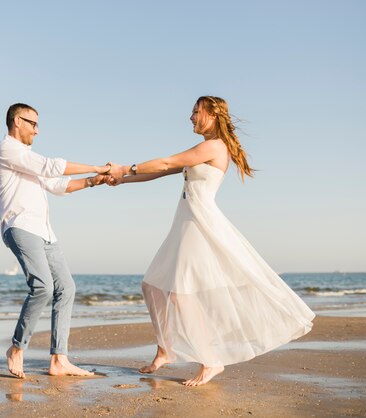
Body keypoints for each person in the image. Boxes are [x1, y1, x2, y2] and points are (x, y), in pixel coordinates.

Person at [106, 96, 315, 386]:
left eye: (195, 111)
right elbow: (163, 170)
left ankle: (211, 361)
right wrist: (123, 180)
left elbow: (167, 160)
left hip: (199, 224)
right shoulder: (204, 148)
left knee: (179, 293)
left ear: (212, 115)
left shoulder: (214, 146)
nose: (190, 117)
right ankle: (165, 349)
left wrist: (124, 167)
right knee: (152, 285)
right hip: (184, 223)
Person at [0, 102, 109, 378]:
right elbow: (50, 166)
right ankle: (16, 348)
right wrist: (96, 165)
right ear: (17, 121)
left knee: (66, 288)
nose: (37, 130)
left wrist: (95, 180)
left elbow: (57, 185)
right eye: (33, 123)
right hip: (20, 226)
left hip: (45, 232)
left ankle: (59, 359)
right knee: (42, 286)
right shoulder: (6, 149)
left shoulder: (27, 158)